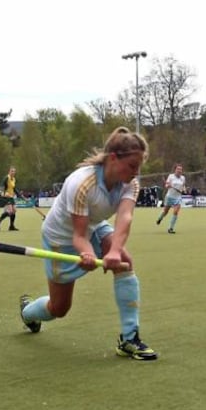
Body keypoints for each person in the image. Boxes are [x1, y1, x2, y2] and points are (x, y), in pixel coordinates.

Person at [18, 126, 157, 361]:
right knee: (59, 308)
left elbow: (125, 218)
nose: (136, 173)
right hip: (60, 237)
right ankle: (28, 313)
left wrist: (114, 251)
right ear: (113, 158)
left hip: (95, 224)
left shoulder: (130, 183)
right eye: (132, 166)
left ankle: (129, 338)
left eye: (139, 167)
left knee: (124, 260)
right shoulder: (82, 183)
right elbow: (79, 236)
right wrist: (87, 253)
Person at [156, 163, 187, 234]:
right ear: (175, 170)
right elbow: (166, 185)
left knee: (175, 212)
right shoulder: (171, 176)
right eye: (178, 169)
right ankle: (160, 218)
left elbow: (183, 186)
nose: (179, 171)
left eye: (180, 169)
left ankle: (171, 228)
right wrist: (168, 186)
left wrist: (184, 190)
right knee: (165, 211)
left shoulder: (183, 178)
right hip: (169, 197)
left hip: (178, 197)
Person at [0, 167, 22, 231]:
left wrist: (20, 195)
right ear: (9, 172)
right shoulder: (6, 178)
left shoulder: (14, 179)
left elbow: (14, 188)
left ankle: (11, 226)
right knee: (10, 211)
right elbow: (2, 186)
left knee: (14, 211)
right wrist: (2, 193)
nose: (13, 172)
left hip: (11, 196)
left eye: (14, 171)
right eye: (12, 171)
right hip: (5, 196)